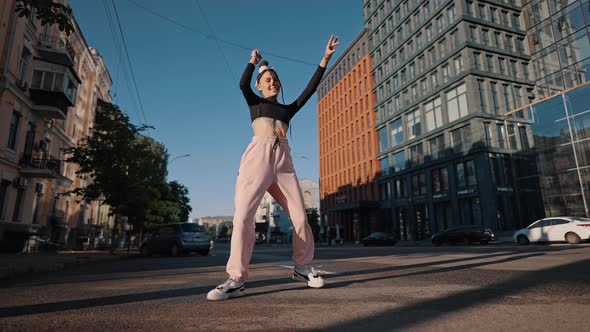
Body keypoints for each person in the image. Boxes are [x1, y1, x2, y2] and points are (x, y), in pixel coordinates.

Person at [207, 35, 340, 301]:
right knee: (243, 217)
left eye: (276, 80)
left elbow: (310, 89)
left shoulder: (288, 109)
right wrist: (252, 62)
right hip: (258, 157)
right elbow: (243, 84)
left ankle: (302, 268)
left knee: (301, 217)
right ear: (260, 85)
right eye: (267, 80)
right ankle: (236, 278)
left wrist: (325, 59)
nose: (273, 82)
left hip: (284, 162)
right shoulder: (255, 103)